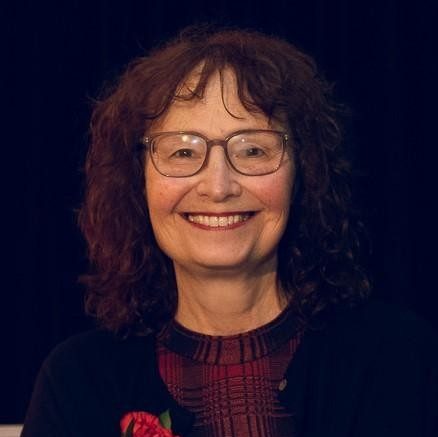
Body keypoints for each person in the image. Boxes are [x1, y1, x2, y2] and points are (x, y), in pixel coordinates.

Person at [22, 26, 438, 437]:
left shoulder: (399, 358)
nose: (218, 187)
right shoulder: (77, 381)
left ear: (302, 174)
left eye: (252, 150)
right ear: (139, 181)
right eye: (184, 151)